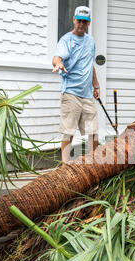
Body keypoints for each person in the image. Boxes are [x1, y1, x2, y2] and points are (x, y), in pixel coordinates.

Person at [52, 6, 100, 163]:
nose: (81, 24)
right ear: (74, 20)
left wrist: (96, 86)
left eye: (85, 22)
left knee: (93, 132)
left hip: (86, 94)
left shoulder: (90, 41)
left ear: (89, 23)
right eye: (79, 21)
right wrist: (58, 63)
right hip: (71, 92)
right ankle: (65, 166)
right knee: (69, 131)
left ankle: (93, 164)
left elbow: (90, 65)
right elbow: (57, 57)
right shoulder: (66, 40)